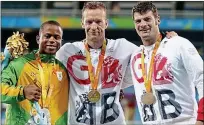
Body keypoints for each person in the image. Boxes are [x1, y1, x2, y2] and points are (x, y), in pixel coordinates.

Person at [56, 2, 177, 125]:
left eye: (98, 22)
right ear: (82, 23)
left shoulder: (122, 46)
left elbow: (149, 54)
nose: (93, 26)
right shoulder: (67, 51)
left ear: (106, 23)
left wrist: (166, 40)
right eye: (89, 21)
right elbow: (48, 74)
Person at [130, 2, 203, 125]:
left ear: (157, 19)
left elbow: (202, 78)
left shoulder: (179, 44)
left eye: (147, 19)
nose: (143, 24)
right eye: (138, 21)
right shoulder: (134, 55)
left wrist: (201, 119)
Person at [1, 20, 69, 125]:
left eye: (56, 37)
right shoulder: (19, 64)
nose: (52, 40)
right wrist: (22, 92)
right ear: (38, 39)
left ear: (61, 41)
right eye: (47, 36)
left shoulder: (63, 70)